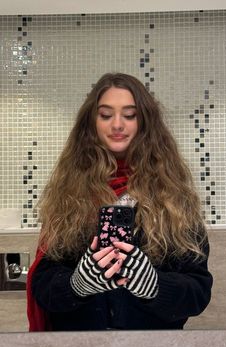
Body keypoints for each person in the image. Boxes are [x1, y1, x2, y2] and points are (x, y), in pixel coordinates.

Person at [27, 72, 213, 331]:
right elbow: (43, 285)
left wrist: (155, 286)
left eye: (129, 115)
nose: (117, 124)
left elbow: (198, 291)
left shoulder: (174, 196)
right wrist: (77, 285)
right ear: (91, 123)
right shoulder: (68, 193)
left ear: (145, 122)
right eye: (105, 115)